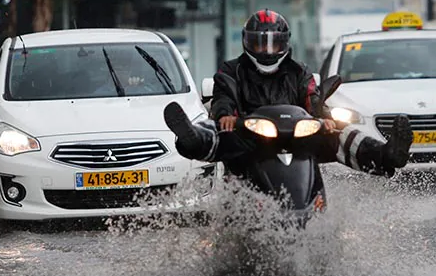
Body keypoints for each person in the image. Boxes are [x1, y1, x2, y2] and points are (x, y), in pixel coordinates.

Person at [164, 9, 413, 177]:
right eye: (260, 42)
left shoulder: (299, 71)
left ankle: (387, 155)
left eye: (273, 42)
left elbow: (313, 99)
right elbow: (223, 97)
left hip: (298, 141)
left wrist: (324, 117)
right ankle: (192, 138)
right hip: (247, 139)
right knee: (214, 131)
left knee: (340, 134)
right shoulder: (231, 70)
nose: (267, 50)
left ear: (285, 43)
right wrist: (225, 114)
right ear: (247, 42)